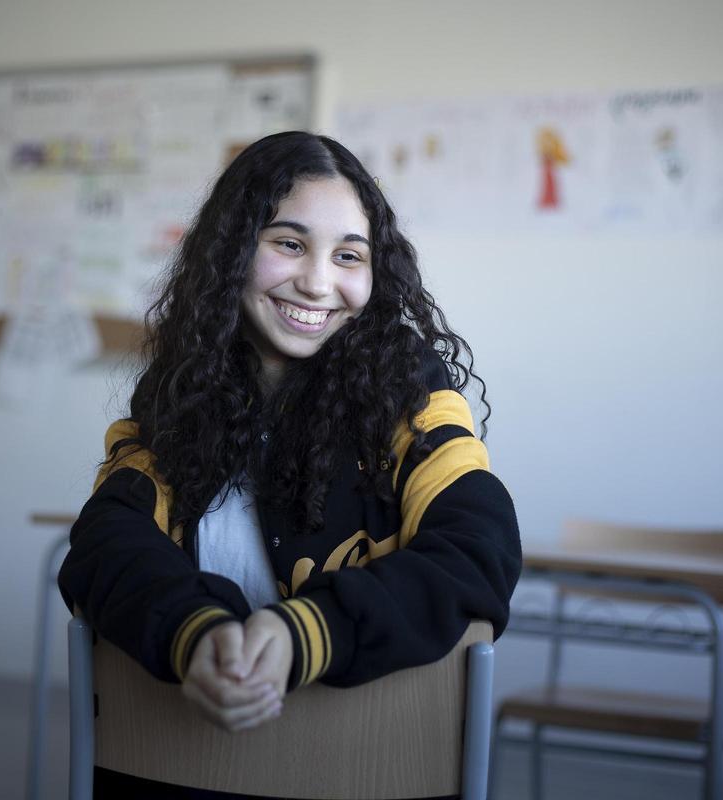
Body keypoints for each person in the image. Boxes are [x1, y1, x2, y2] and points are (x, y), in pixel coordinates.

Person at [57, 130, 522, 798]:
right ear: (231, 251)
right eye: (289, 243)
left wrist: (305, 631)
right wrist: (195, 631)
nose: (318, 281)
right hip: (180, 771)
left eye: (349, 255)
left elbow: (480, 549)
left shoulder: (412, 394)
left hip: (371, 774)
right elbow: (105, 543)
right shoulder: (176, 395)